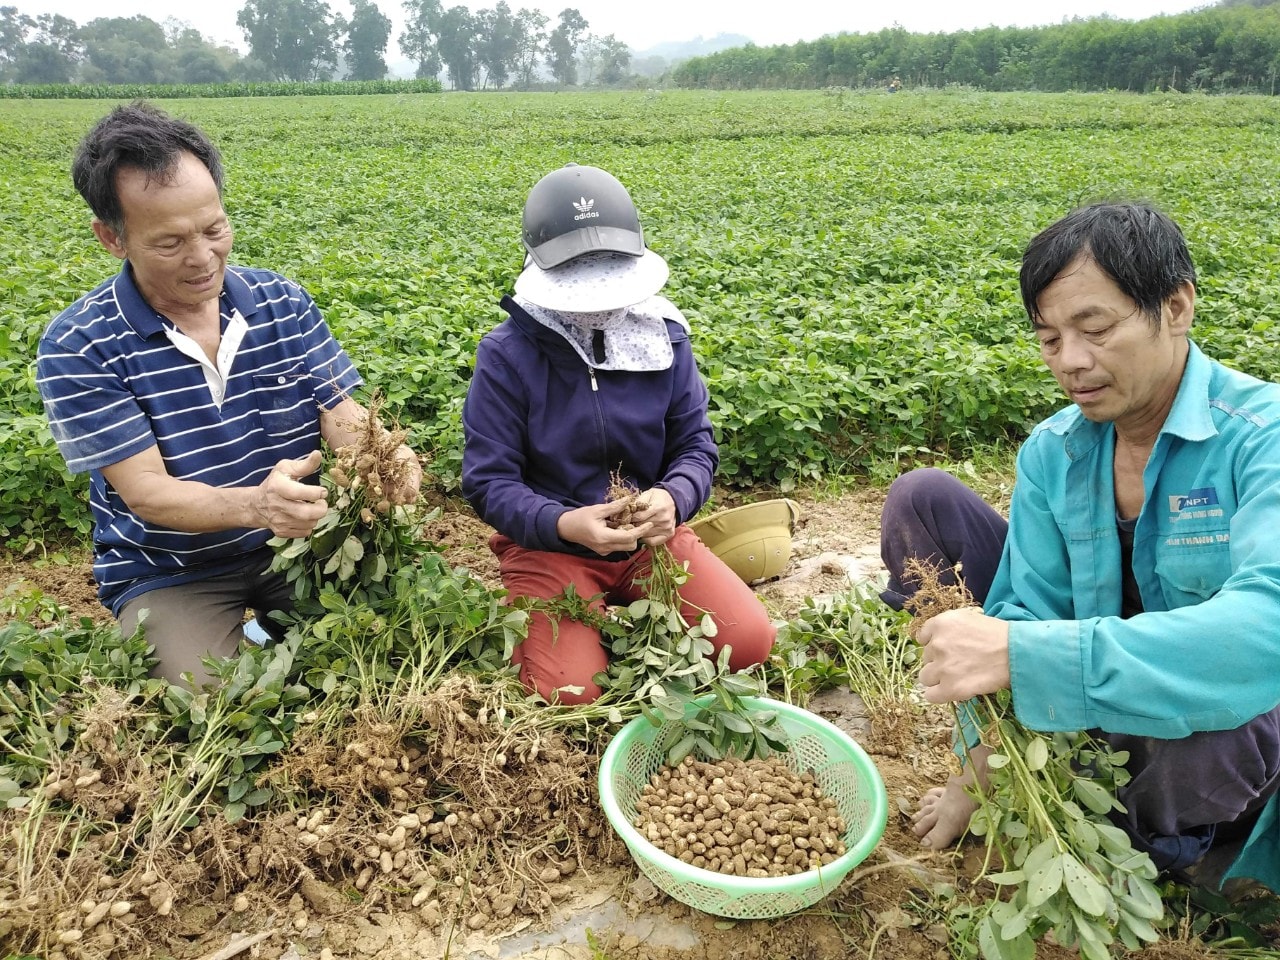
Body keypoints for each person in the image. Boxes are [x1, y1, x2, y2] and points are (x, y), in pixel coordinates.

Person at [880, 202, 1280, 892]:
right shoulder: (1055, 450)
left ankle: (1175, 847)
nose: (1071, 362)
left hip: (1232, 703)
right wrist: (978, 777)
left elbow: (1265, 628)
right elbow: (1022, 609)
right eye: (1048, 339)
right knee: (924, 499)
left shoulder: (1259, 437)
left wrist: (1031, 655)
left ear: (1177, 306)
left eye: (1095, 328)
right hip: (1092, 681)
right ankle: (1097, 792)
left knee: (1214, 729)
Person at [36, 101, 421, 686]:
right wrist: (255, 507)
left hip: (301, 544)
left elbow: (339, 412)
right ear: (112, 238)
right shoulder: (79, 344)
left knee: (397, 640)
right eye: (169, 243)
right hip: (172, 568)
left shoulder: (280, 302)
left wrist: (380, 456)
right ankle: (236, 636)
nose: (203, 258)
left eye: (214, 229)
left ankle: (265, 631)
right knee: (217, 695)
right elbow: (146, 493)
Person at [461, 163, 776, 705]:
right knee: (570, 692)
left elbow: (695, 445)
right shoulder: (507, 356)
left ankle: (620, 608)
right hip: (549, 548)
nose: (600, 302)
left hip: (647, 541)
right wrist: (562, 524)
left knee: (748, 641)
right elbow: (488, 481)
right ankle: (588, 618)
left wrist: (672, 500)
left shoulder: (664, 338)